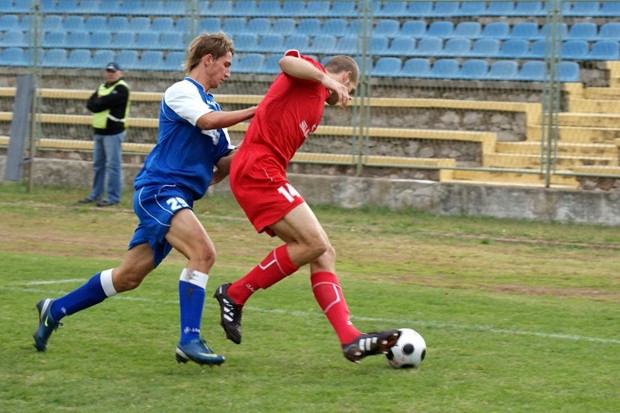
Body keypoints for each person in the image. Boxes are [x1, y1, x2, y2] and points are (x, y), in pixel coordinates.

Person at [33, 33, 257, 366]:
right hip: (159, 191)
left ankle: (55, 309)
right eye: (225, 65)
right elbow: (205, 122)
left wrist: (263, 146)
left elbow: (224, 162)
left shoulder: (215, 107)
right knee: (203, 253)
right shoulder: (182, 91)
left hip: (177, 197)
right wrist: (257, 110)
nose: (228, 73)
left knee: (128, 277)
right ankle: (189, 340)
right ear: (207, 60)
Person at [213, 50, 401, 364]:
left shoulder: (313, 103)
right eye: (349, 91)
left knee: (323, 251)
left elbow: (265, 127)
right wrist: (326, 79)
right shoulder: (311, 72)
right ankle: (235, 293)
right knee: (315, 243)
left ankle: (350, 338)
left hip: (259, 171)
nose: (344, 98)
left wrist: (225, 169)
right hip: (261, 171)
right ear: (345, 78)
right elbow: (287, 62)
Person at [78, 62, 130, 207]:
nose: (110, 73)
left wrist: (99, 100)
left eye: (113, 71)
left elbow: (100, 104)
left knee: (113, 166)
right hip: (100, 131)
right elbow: (91, 104)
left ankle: (113, 197)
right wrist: (99, 101)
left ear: (120, 73)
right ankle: (96, 194)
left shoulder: (121, 88)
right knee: (98, 165)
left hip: (113, 132)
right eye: (108, 71)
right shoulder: (103, 87)